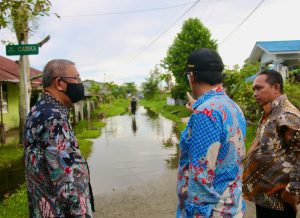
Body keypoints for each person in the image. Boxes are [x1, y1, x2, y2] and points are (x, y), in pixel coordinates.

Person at [177, 48, 246, 217]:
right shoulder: (232, 106)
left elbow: (200, 181)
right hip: (232, 206)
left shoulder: (205, 113)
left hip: (212, 212)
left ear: (191, 76)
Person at [24, 59, 94, 217]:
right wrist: (78, 214)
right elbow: (63, 180)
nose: (79, 84)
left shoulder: (37, 110)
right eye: (76, 78)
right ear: (60, 83)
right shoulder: (54, 119)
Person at [242, 69, 300, 218]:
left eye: (259, 88)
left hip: (279, 201)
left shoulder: (287, 115)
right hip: (265, 199)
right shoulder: (270, 112)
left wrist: (291, 191)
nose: (255, 93)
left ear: (276, 87)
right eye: (254, 88)